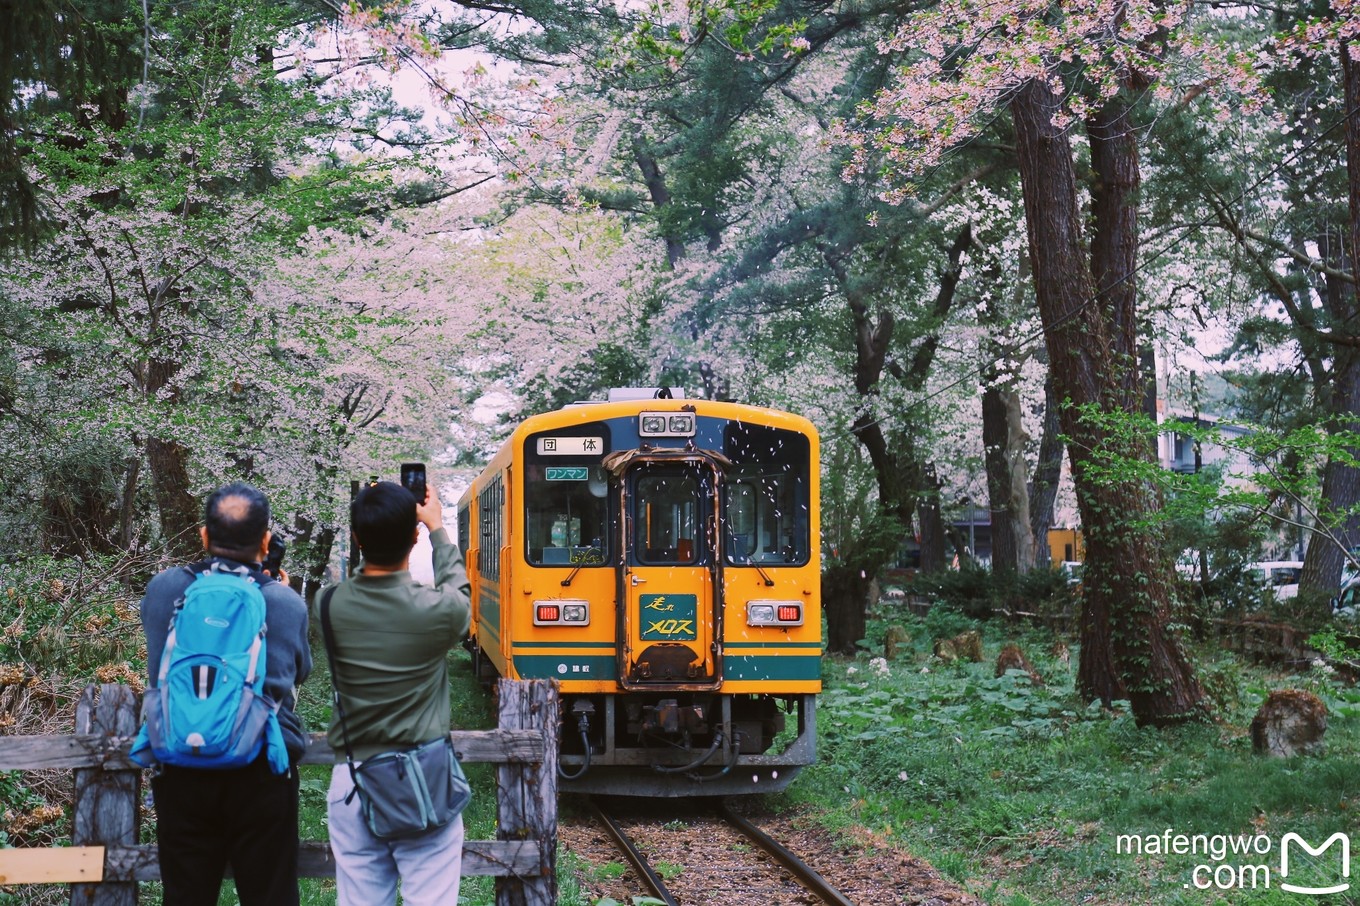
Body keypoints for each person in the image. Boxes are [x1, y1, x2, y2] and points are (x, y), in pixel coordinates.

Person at [138, 482, 312, 906]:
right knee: (269, 895)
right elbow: (299, 672)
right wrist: (273, 591)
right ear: (265, 540)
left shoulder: (164, 589)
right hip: (259, 767)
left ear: (204, 536)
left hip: (181, 763)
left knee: (186, 895)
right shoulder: (285, 602)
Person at [321, 478, 472, 906]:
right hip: (423, 778)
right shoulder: (438, 611)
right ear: (414, 536)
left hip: (353, 778)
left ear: (354, 538)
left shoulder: (329, 605)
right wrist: (438, 529)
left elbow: (358, 583)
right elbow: (459, 591)